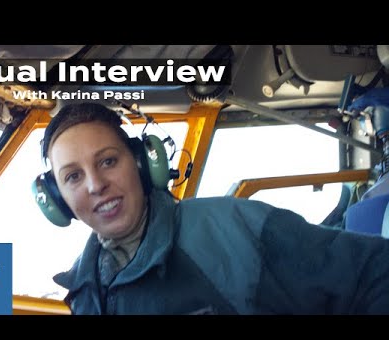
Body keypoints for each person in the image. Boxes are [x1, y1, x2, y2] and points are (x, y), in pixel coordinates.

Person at [40, 102, 389, 315]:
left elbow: (375, 271)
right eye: (72, 176)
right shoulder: (84, 289)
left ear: (142, 163)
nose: (95, 184)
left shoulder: (232, 228)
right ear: (58, 201)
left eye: (108, 161)